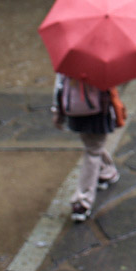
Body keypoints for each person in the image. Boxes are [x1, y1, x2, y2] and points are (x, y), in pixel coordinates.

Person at [51, 74, 124, 222]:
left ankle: (83, 199)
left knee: (93, 151)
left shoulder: (69, 59)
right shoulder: (103, 61)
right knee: (93, 148)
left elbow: (59, 86)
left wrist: (57, 112)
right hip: (95, 112)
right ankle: (106, 174)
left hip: (79, 110)